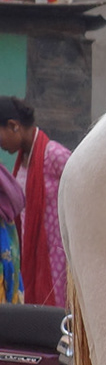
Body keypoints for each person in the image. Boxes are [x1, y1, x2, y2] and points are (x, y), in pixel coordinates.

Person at [0, 97, 69, 306]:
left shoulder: (55, 155)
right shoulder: (22, 161)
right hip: (31, 254)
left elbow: (84, 186)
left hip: (55, 258)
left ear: (13, 126)